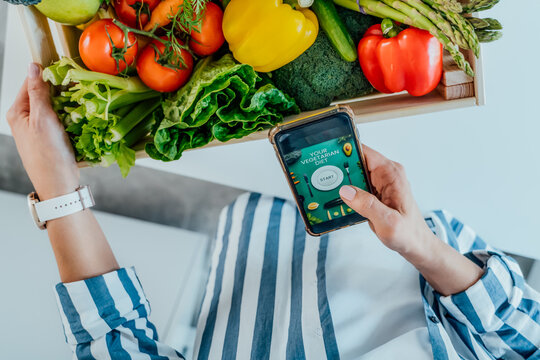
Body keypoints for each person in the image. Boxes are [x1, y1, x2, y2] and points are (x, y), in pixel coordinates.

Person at [7, 63, 540, 360]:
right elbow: (518, 329)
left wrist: (57, 189)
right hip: (395, 208)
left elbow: (114, 346)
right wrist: (420, 245)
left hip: (253, 236)